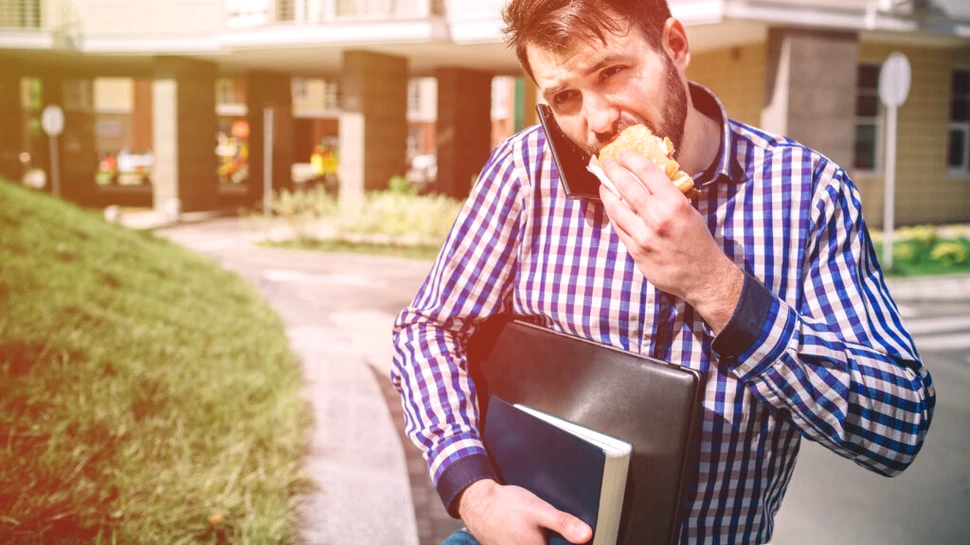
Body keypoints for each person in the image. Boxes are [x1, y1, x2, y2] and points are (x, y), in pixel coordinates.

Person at [391, 1, 936, 544]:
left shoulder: (806, 192)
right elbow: (428, 330)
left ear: (675, 46)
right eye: (565, 97)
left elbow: (899, 427)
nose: (599, 121)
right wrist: (476, 493)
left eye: (612, 72)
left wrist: (715, 287)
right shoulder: (525, 170)